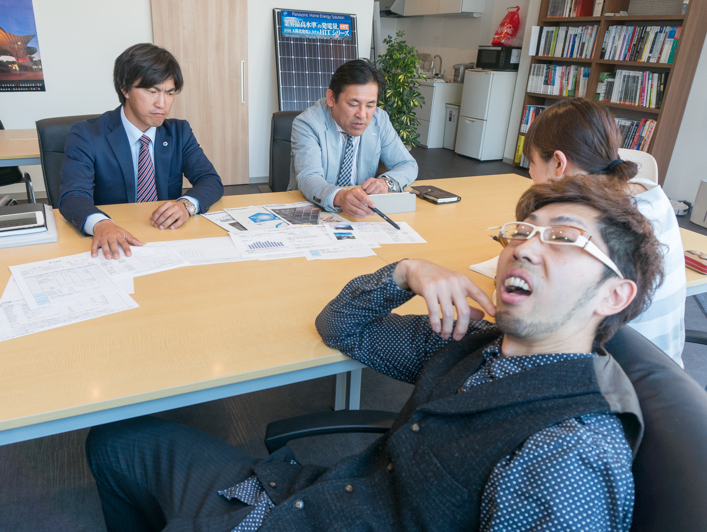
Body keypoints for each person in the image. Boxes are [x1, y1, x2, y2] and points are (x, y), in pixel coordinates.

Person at [86, 175, 663, 531]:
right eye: (523, 230)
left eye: (563, 238)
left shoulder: (567, 454)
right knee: (116, 443)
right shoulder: (477, 344)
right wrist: (406, 271)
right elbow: (342, 327)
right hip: (303, 499)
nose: (526, 248)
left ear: (613, 296)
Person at [523, 97, 686, 366]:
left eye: (531, 162)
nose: (530, 173)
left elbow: (539, 306)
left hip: (614, 372)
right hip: (666, 366)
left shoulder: (587, 217)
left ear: (559, 163)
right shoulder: (650, 192)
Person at [59, 43, 224, 260]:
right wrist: (100, 223)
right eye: (152, 91)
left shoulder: (179, 132)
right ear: (125, 89)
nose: (162, 103)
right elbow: (72, 196)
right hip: (114, 241)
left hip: (165, 236)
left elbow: (210, 180)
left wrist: (186, 205)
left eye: (170, 93)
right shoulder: (87, 134)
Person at [288, 59, 418, 218]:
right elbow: (309, 177)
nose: (362, 115)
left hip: (362, 213)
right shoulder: (308, 123)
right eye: (353, 104)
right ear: (331, 98)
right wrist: (340, 196)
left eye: (370, 105)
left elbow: (407, 164)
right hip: (312, 209)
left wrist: (386, 182)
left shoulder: (379, 120)